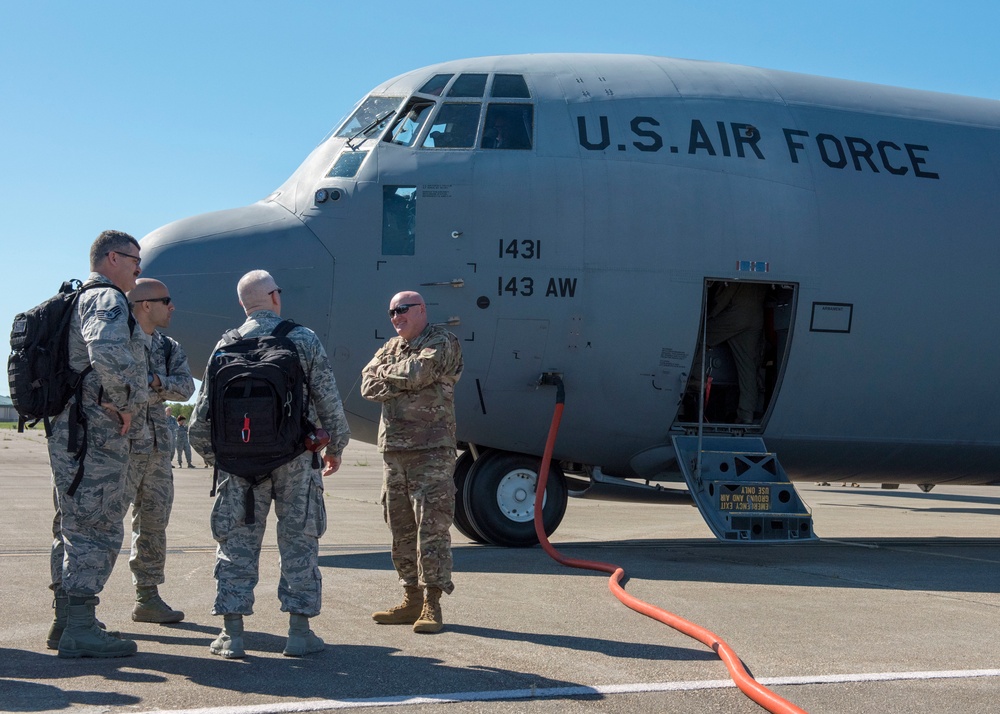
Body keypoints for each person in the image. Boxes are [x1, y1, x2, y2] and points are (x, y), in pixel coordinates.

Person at [189, 270, 350, 659]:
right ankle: (298, 633)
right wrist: (335, 447)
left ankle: (232, 635)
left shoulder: (224, 344)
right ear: (275, 297)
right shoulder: (302, 339)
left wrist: (225, 458)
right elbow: (329, 401)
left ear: (243, 304)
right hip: (295, 458)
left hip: (239, 466)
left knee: (236, 545)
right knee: (299, 541)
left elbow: (198, 424)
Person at [46, 230, 148, 658]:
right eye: (133, 260)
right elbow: (105, 348)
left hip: (72, 433)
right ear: (112, 257)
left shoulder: (76, 298)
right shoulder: (105, 299)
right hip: (95, 435)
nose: (138, 270)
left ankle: (67, 621)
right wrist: (124, 402)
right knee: (97, 527)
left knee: (71, 525)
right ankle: (81, 629)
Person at [361, 291, 463, 634]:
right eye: (391, 311)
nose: (395, 316)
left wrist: (389, 377)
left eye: (402, 309)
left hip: (431, 449)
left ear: (421, 310)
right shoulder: (391, 347)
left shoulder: (442, 340)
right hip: (393, 452)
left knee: (431, 528)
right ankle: (411, 598)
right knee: (400, 526)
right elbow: (366, 384)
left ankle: (433, 603)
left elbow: (422, 370)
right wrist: (400, 377)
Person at [125, 279, 195, 624]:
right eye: (166, 301)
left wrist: (155, 382)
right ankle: (75, 609)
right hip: (117, 450)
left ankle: (147, 598)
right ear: (145, 304)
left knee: (153, 526)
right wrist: (156, 387)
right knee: (99, 528)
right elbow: (117, 386)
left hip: (157, 453)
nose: (172, 307)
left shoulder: (169, 346)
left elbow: (186, 388)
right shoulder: (117, 340)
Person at [703, 281, 769, 424]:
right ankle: (746, 415)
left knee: (699, 337)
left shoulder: (734, 268)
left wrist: (708, 317)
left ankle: (696, 379)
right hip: (756, 318)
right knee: (748, 369)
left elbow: (724, 297)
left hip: (735, 317)